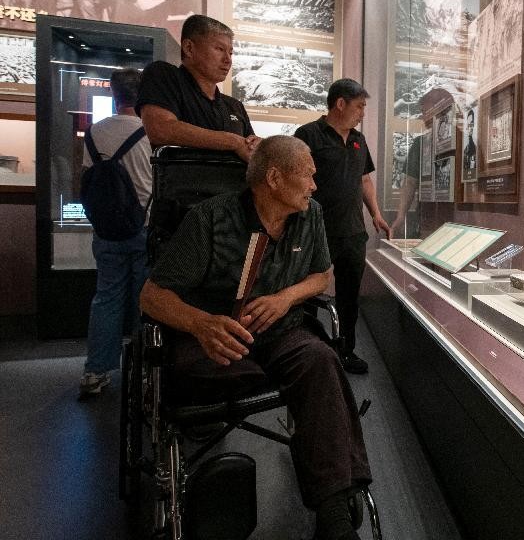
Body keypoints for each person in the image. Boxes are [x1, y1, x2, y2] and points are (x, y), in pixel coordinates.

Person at [140, 135, 371, 540]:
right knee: (201, 377)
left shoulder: (310, 214)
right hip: (215, 335)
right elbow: (152, 296)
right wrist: (201, 324)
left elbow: (320, 275)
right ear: (275, 178)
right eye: (309, 176)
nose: (315, 186)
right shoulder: (210, 220)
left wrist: (285, 299)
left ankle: (333, 512)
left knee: (321, 362)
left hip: (280, 331)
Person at [294, 79, 390, 375]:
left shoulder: (359, 141)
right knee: (307, 292)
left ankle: (346, 351)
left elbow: (364, 180)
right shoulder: (308, 134)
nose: (362, 112)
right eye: (359, 106)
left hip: (352, 233)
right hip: (315, 231)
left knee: (349, 296)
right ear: (340, 103)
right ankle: (305, 350)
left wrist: (376, 213)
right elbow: (296, 177)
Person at [79, 68, 152, 397]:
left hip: (106, 230)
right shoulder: (151, 132)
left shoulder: (95, 132)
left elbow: (86, 178)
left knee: (106, 298)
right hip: (144, 227)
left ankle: (95, 371)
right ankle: (145, 372)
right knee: (145, 302)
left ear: (114, 94)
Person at [136, 14, 260, 161]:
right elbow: (160, 129)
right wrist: (233, 142)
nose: (228, 60)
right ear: (189, 48)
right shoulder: (164, 75)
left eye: (231, 52)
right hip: (182, 183)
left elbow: (251, 152)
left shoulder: (234, 106)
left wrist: (258, 145)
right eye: (220, 49)